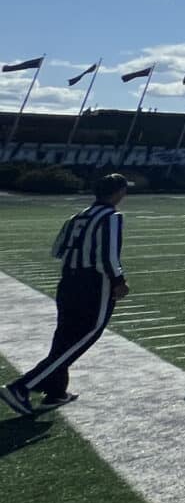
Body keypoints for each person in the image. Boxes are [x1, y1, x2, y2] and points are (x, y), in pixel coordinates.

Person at [3, 173, 131, 416]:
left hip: (68, 281)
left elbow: (57, 249)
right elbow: (108, 254)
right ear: (118, 192)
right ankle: (21, 387)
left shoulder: (77, 216)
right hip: (93, 283)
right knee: (85, 336)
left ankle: (56, 391)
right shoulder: (111, 217)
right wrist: (119, 281)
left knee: (65, 337)